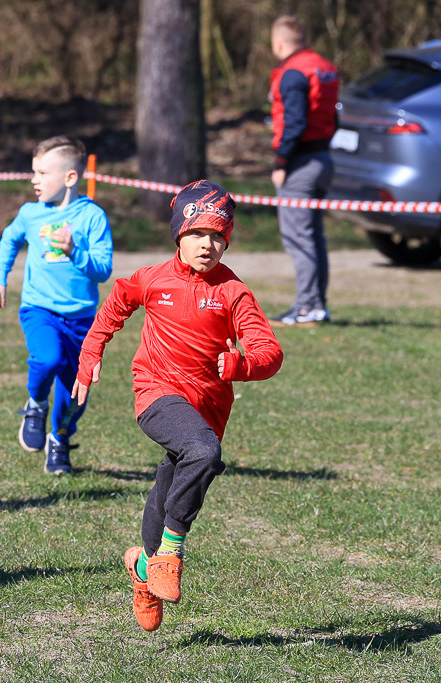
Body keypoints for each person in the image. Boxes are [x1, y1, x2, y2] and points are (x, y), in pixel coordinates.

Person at [71, 180, 284, 632]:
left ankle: (144, 571)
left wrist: (241, 363)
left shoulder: (233, 291)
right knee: (203, 453)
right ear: (178, 235)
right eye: (198, 233)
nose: (209, 244)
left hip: (209, 406)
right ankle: (169, 552)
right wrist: (92, 351)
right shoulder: (152, 279)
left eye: (219, 235)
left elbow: (270, 352)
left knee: (174, 478)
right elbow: (114, 305)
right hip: (156, 391)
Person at [0, 135, 113, 474]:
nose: (34, 180)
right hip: (38, 309)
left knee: (75, 394)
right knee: (46, 358)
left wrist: (75, 251)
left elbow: (103, 270)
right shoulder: (30, 213)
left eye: (42, 173)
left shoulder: (93, 217)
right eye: (33, 172)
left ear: (70, 178)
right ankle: (36, 404)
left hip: (83, 319)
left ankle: (59, 439)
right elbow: (9, 239)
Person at [268, 14, 339, 326]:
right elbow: (333, 117)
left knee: (299, 238)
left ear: (278, 43)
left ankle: (308, 307)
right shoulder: (324, 68)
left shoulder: (293, 73)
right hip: (323, 158)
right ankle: (317, 304)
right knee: (314, 237)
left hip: (301, 164)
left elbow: (294, 123)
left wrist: (281, 163)